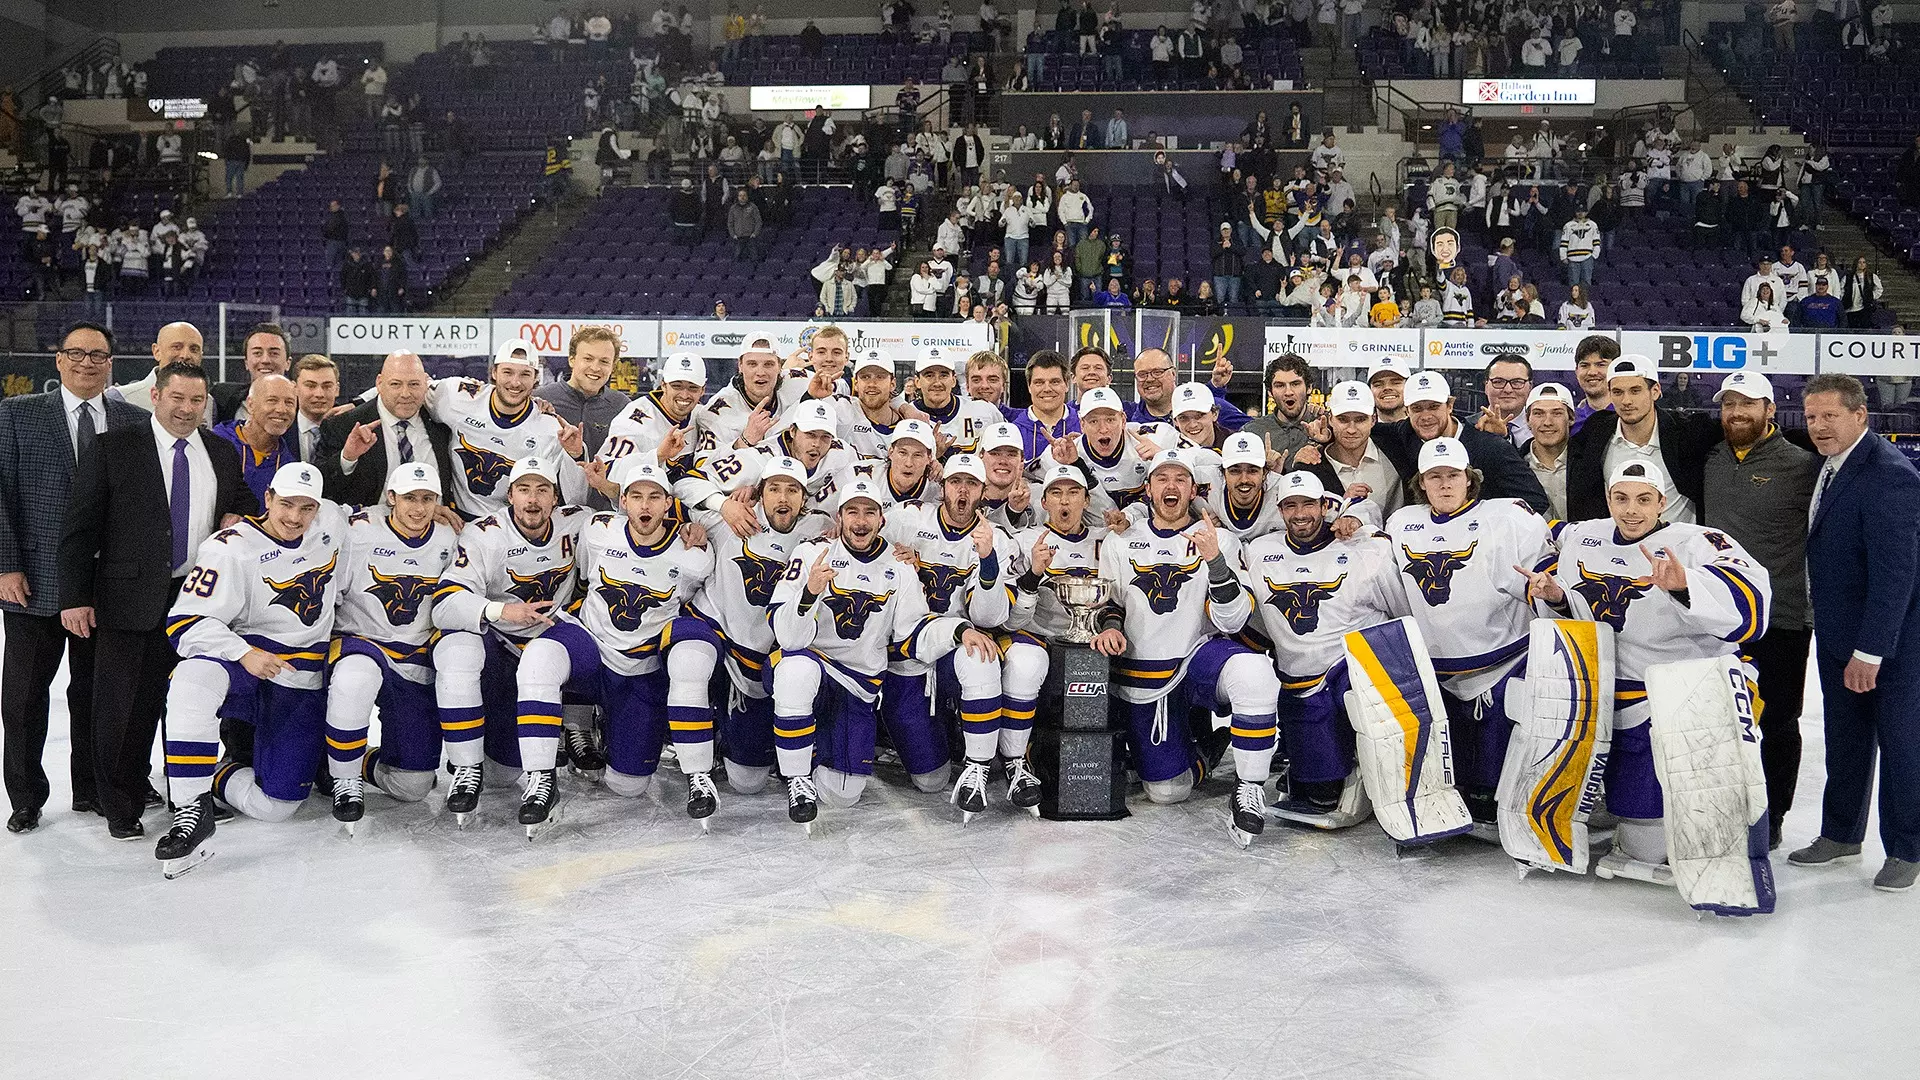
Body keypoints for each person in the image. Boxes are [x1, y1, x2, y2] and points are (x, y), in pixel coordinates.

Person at [1519, 458, 1774, 909]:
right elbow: (1552, 551)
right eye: (1621, 498)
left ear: (1662, 502)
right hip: (1606, 685)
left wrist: (1684, 586)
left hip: (1681, 686)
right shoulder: (1584, 536)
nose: (1631, 510)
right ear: (1609, 499)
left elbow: (1753, 604)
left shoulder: (1695, 542)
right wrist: (1555, 595)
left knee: (1648, 838)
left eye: (1643, 500)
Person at [767, 477, 998, 828]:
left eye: (869, 513)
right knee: (797, 671)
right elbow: (788, 637)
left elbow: (912, 632)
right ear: (840, 518)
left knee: (843, 795)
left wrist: (959, 629)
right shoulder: (811, 553)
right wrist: (811, 592)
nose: (861, 521)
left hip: (859, 684)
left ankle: (817, 747)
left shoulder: (899, 565)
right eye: (852, 512)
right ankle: (797, 778)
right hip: (812, 665)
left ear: (881, 519)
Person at [144, 459, 333, 874]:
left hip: (299, 674)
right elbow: (185, 623)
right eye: (286, 504)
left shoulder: (332, 526)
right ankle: (191, 807)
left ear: (319, 508)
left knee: (278, 807)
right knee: (193, 678)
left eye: (306, 508)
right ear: (268, 499)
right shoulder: (228, 547)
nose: (294, 517)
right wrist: (242, 653)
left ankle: (215, 771)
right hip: (244, 659)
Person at [0, 323, 147, 835]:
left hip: (107, 587)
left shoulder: (134, 421)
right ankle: (25, 797)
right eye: (76, 353)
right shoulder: (16, 415)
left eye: (99, 355)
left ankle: (91, 791)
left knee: (95, 695)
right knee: (23, 697)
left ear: (113, 363)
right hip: (33, 581)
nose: (87, 363)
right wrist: (5, 563)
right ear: (58, 360)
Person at [1093, 448, 1281, 846]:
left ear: (1193, 488)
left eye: (1180, 479)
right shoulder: (1121, 540)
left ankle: (1249, 788)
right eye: (1162, 479)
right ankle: (1209, 751)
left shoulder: (1221, 541)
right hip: (1145, 672)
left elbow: (1232, 620)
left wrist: (1214, 559)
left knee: (1255, 672)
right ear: (1147, 490)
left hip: (1199, 656)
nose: (1171, 486)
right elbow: (1110, 601)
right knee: (1166, 792)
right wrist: (1110, 626)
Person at [1385, 436, 1552, 831]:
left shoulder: (1508, 518)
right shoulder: (1401, 524)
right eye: (1435, 476)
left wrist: (1548, 589)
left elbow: (1545, 573)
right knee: (1451, 770)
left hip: (1503, 660)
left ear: (1470, 479)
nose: (1445, 484)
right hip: (1436, 669)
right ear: (1421, 483)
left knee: (1493, 775)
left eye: (1453, 475)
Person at [1794, 373, 1920, 891]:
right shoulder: (1831, 467)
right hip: (1838, 633)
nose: (1819, 427)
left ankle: (1907, 848)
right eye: (1810, 417)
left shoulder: (1890, 473)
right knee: (1844, 740)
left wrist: (1871, 651)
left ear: (1860, 416)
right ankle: (1842, 832)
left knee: (1901, 746)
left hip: (1890, 644)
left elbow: (1897, 572)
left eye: (1829, 416)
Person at [429, 456, 594, 828]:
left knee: (545, 657)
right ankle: (467, 769)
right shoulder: (484, 534)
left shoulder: (579, 521)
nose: (532, 500)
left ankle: (542, 778)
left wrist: (690, 529)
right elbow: (444, 605)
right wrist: (502, 612)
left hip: (555, 632)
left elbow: (635, 520)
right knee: (457, 648)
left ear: (556, 497)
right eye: (523, 490)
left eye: (542, 490)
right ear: (509, 496)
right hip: (501, 642)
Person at [1247, 470, 1409, 827]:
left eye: (1308, 504)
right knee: (1315, 786)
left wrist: (1362, 516)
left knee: (1339, 700)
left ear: (1325, 506)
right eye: (1290, 505)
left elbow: (1403, 613)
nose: (1300, 513)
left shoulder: (1365, 550)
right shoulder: (1260, 552)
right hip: (1294, 674)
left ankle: (1362, 768)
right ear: (1279, 510)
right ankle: (1316, 770)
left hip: (1349, 670)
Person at [319, 462, 460, 826]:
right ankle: (345, 778)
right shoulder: (358, 532)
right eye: (409, 498)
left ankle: (354, 758)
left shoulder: (449, 537)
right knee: (355, 679)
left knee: (414, 785)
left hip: (416, 655)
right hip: (360, 640)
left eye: (428, 498)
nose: (418, 508)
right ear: (391, 498)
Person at [1564, 356, 1720, 523]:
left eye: (1635, 390)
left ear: (1655, 391)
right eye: (1617, 392)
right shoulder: (1596, 431)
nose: (1626, 401)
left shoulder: (1689, 432)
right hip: (1620, 546)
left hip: (1678, 546)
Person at [1369, 371, 1551, 512]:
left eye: (1433, 406)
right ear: (1407, 411)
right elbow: (1360, 430)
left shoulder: (1490, 447)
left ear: (1450, 405)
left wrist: (1483, 522)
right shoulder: (1403, 434)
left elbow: (1536, 501)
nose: (1425, 416)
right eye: (1417, 409)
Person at [316, 352, 458, 510]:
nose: (405, 394)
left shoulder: (443, 423)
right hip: (367, 529)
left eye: (414, 384)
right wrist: (348, 457)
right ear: (379, 383)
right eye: (395, 384)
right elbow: (322, 488)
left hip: (433, 527)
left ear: (426, 383)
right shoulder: (344, 425)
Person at [209, 375, 300, 503]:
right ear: (251, 404)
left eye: (289, 403)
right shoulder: (215, 443)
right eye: (272, 400)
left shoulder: (289, 465)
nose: (281, 409)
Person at [1520, 383, 1576, 520]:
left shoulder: (1591, 462)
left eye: (1557, 413)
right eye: (1538, 414)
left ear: (1571, 418)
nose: (1547, 422)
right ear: (1528, 420)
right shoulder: (1516, 466)